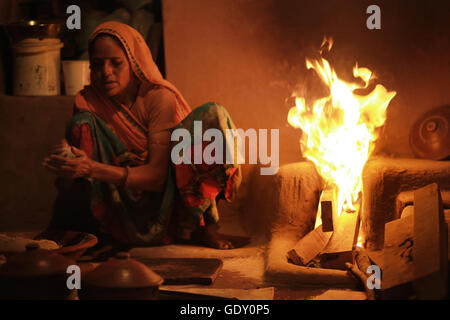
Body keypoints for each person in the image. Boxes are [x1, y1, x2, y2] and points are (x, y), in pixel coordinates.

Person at [42, 21, 241, 250]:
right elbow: (69, 186)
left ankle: (204, 227)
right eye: (97, 65)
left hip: (166, 196)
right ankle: (101, 231)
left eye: (116, 63)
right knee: (81, 125)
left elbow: (157, 177)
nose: (106, 72)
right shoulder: (89, 103)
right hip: (116, 200)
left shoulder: (157, 98)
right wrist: (66, 164)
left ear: (134, 64)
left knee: (211, 116)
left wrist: (91, 168)